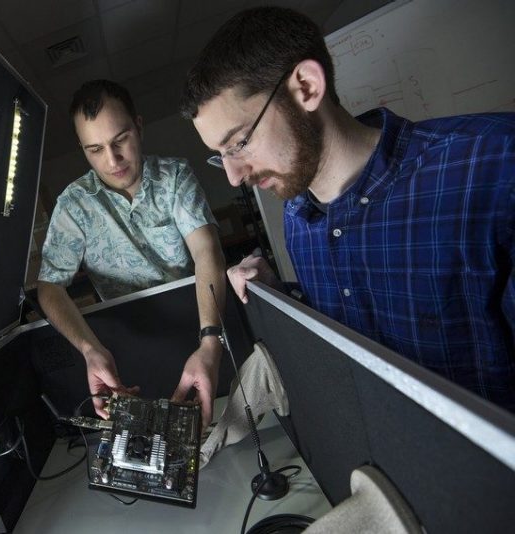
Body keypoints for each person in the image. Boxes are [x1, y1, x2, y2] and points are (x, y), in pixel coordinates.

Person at [181, 7, 515, 411]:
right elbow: (360, 329)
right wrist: (283, 299)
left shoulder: (494, 168)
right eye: (221, 155)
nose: (233, 177)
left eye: (239, 143)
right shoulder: (297, 215)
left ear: (306, 86)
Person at [37, 80, 227, 426]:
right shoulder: (73, 205)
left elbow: (206, 251)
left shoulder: (174, 177)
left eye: (120, 139)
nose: (112, 160)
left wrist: (211, 339)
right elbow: (50, 288)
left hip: (198, 329)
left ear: (138, 127)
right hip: (126, 355)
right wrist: (89, 350)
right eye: (95, 149)